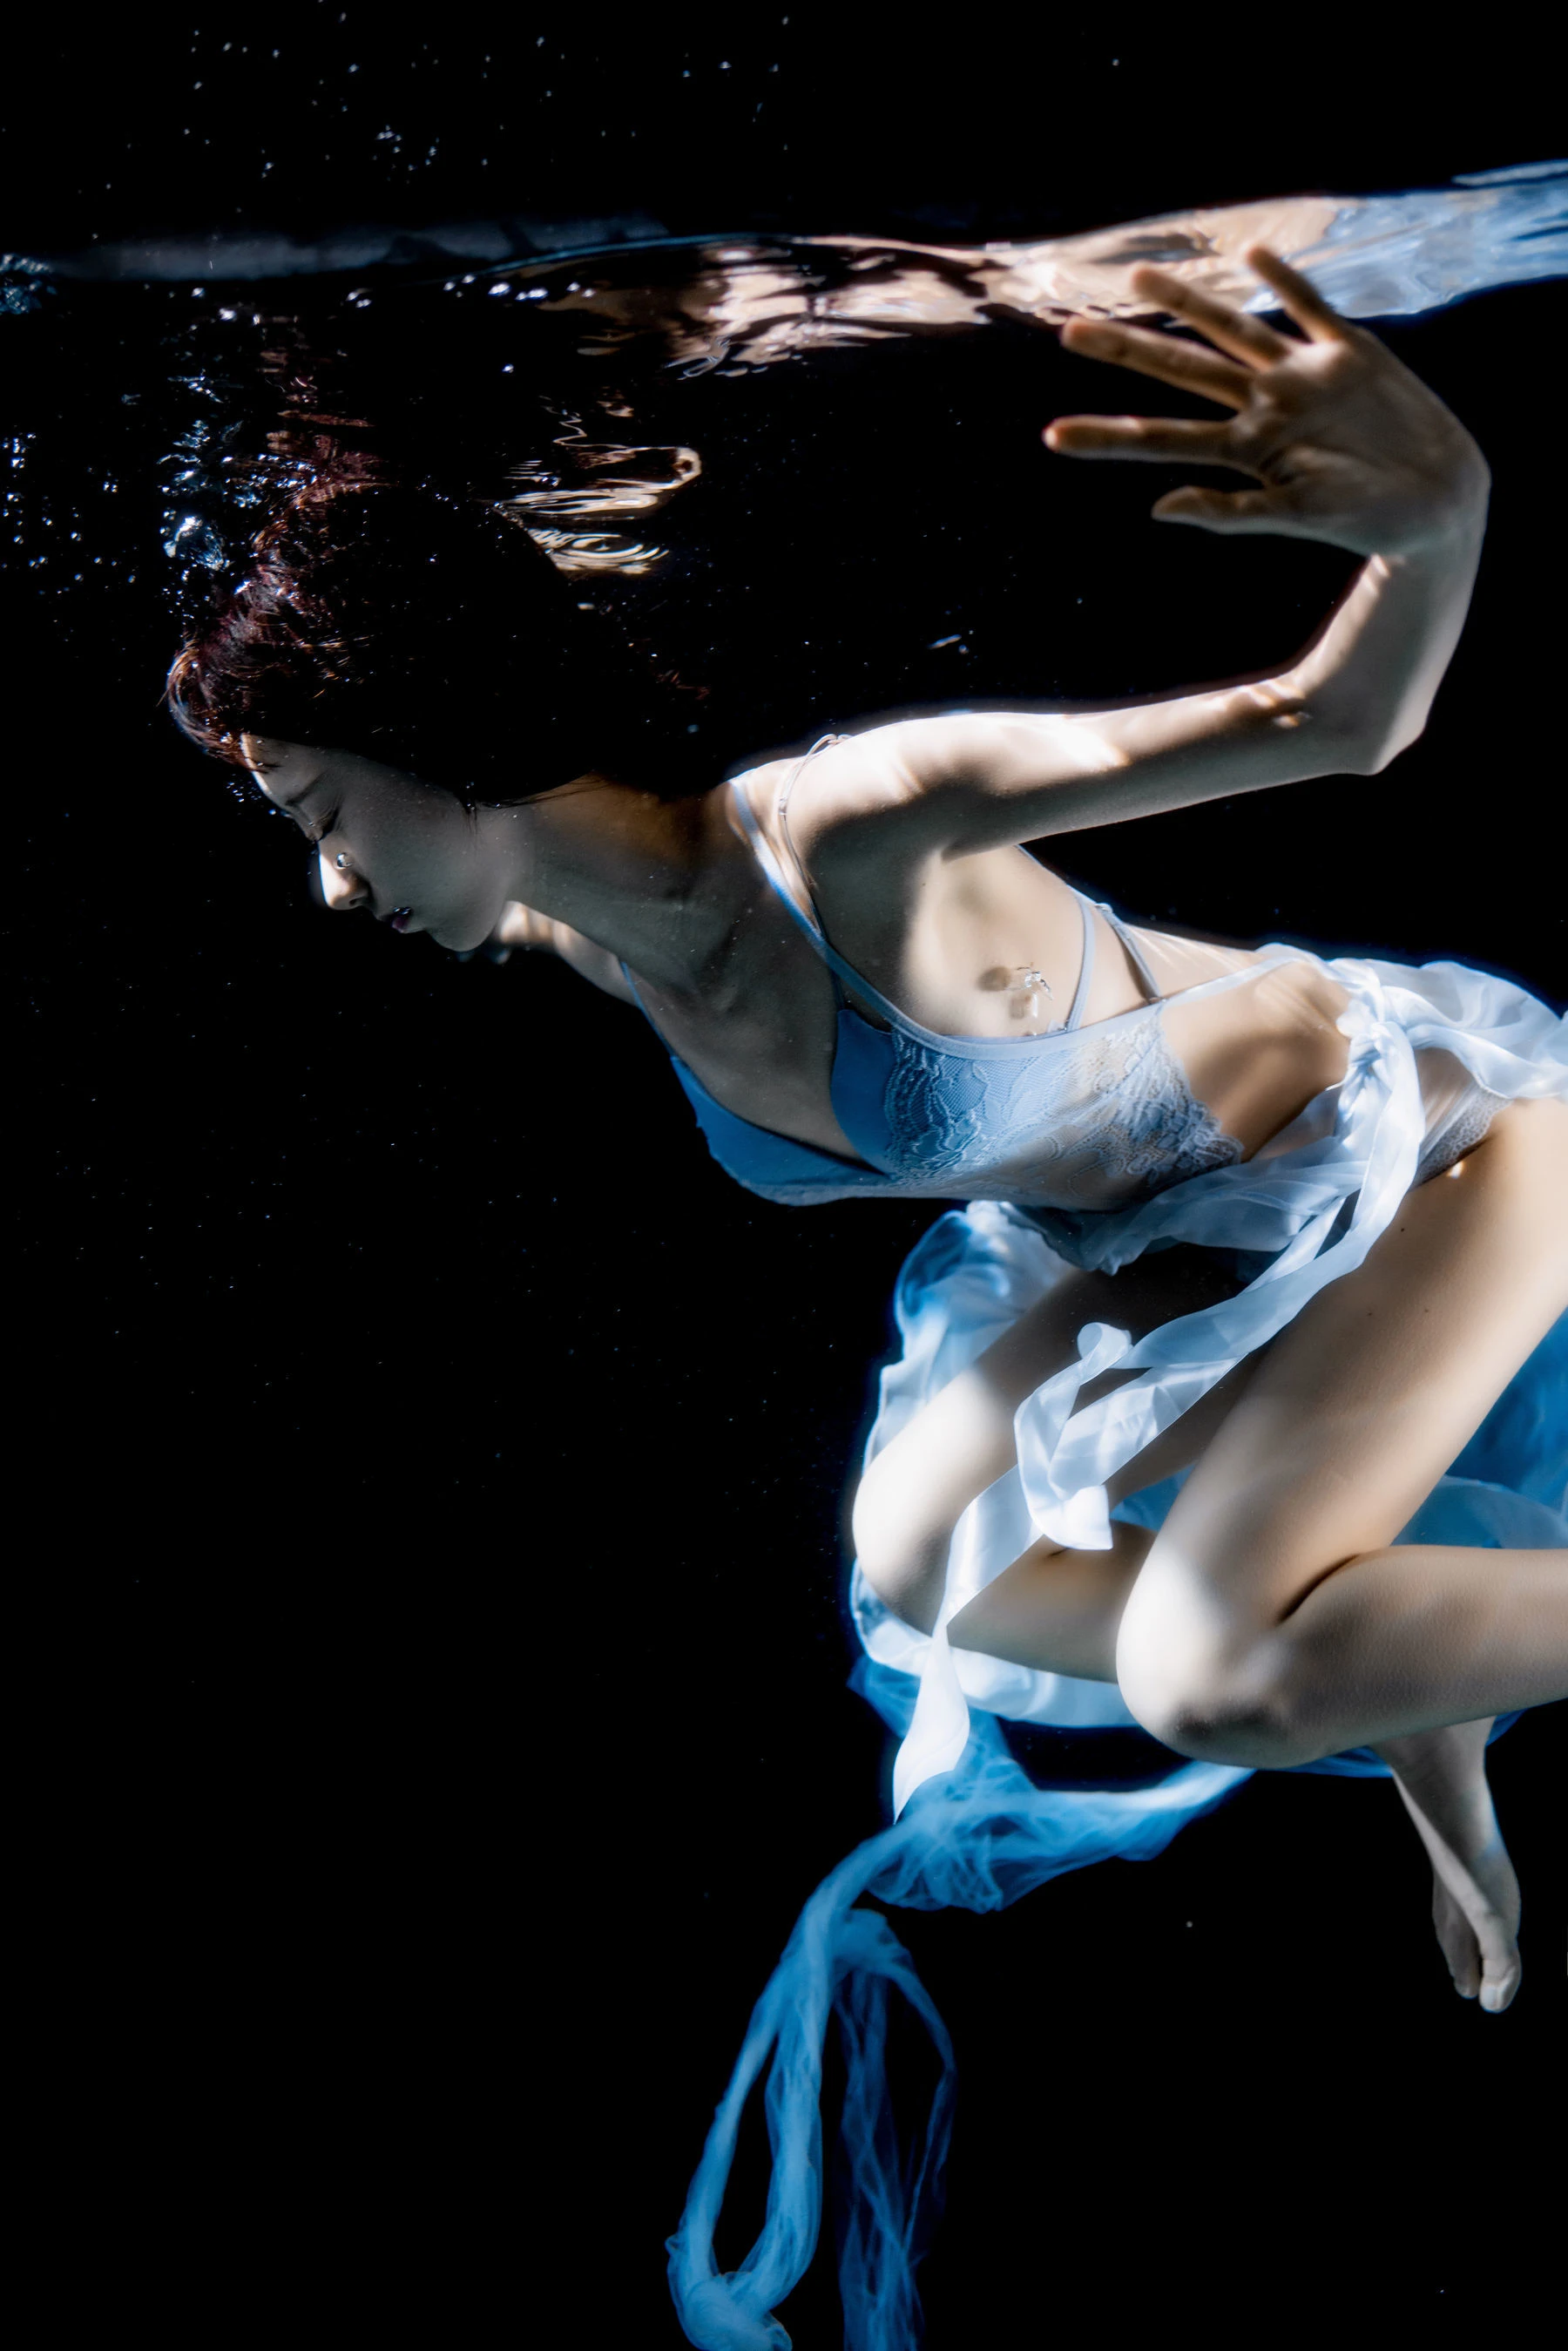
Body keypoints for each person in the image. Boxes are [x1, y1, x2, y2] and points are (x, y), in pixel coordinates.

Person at [167, 247, 1565, 2346]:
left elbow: (1337, 725)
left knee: (1205, 1671)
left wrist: (1436, 505)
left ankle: (1347, 1668)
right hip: (1185, 1244)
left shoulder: (858, 838)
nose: (331, 880)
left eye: (320, 810)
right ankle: (1407, 1685)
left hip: (1442, 1148)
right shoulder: (586, 936)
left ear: (430, 735)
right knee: (923, 1561)